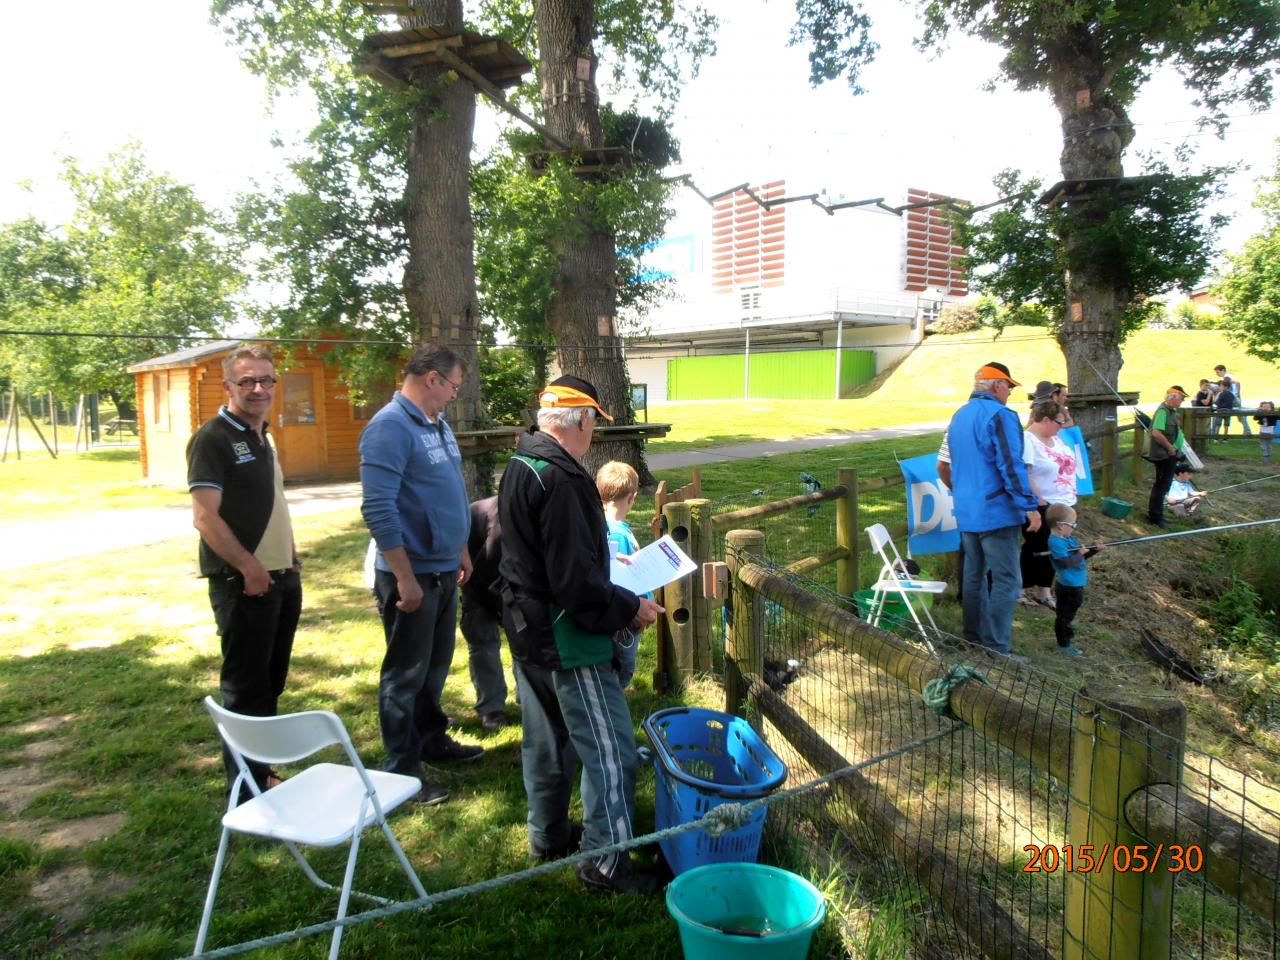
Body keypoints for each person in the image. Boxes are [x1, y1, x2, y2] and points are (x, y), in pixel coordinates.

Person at [497, 375, 665, 893]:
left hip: (528, 631)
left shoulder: (522, 462)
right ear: (583, 420)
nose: (594, 431)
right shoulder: (564, 479)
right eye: (595, 421)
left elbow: (549, 561)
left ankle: (547, 835)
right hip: (569, 638)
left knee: (546, 742)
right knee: (611, 750)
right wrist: (629, 606)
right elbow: (574, 583)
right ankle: (606, 863)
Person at [360, 343, 481, 808]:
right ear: (431, 378)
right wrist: (405, 578)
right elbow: (378, 507)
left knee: (434, 665)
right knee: (404, 674)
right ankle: (402, 771)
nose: (454, 394)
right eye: (452, 385)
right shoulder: (389, 428)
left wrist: (462, 548)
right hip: (410, 576)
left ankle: (432, 740)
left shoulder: (437, 424)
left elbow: (448, 490)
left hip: (445, 568)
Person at [187, 343, 302, 803]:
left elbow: (270, 503)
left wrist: (288, 554)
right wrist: (250, 567)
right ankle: (243, 786)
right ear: (228, 386)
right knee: (245, 685)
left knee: (270, 680)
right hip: (244, 582)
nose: (258, 388)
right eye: (247, 381)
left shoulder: (263, 435)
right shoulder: (213, 438)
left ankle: (260, 772)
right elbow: (205, 517)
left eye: (266, 380)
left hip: (281, 576)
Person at [947, 362, 1040, 658]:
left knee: (974, 577)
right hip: (996, 511)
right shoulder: (1000, 415)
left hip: (967, 512)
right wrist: (1029, 505)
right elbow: (1011, 465)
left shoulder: (959, 415)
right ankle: (997, 647)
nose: (1010, 393)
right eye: (1009, 387)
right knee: (1007, 579)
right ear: (998, 385)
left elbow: (950, 465)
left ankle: (973, 639)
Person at [1019, 400, 1077, 610]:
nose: (1062, 427)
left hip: (1065, 502)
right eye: (1059, 422)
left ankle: (1043, 589)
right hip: (1044, 503)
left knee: (1054, 547)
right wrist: (1039, 500)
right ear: (1045, 419)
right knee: (1036, 546)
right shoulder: (1027, 440)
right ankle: (1021, 587)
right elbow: (1024, 472)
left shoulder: (1056, 439)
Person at [460, 496, 510, 732]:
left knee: (527, 642)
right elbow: (491, 559)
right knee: (483, 643)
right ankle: (491, 708)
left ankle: (530, 697)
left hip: (508, 583)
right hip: (477, 581)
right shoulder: (501, 516)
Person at [596, 460, 647, 689]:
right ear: (632, 498)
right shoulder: (617, 534)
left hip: (613, 611)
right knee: (623, 665)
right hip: (626, 616)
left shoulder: (602, 526)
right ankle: (614, 696)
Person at [1045, 503, 1104, 657]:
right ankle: (1063, 644)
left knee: (1067, 616)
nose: (1074, 528)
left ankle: (1066, 639)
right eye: (1072, 524)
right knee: (1064, 617)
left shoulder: (1068, 538)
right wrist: (1080, 554)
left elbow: (1079, 558)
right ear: (1060, 526)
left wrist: (1093, 550)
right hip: (1069, 586)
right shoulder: (1055, 542)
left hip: (1076, 585)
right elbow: (1065, 563)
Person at [1147, 386, 1188, 527]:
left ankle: (1158, 514)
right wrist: (1170, 448)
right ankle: (1155, 517)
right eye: (1181, 398)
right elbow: (1156, 433)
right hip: (1163, 454)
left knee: (1165, 485)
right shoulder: (1163, 412)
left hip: (1170, 454)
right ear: (1173, 397)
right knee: (1161, 485)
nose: (1182, 401)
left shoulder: (1171, 412)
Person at [1215, 364, 1252, 436]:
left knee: (1240, 416)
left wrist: (1237, 393)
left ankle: (1247, 431)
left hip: (1233, 399)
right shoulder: (1227, 377)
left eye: (1218, 372)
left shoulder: (1226, 377)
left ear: (1223, 370)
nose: (1217, 374)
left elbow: (1237, 382)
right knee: (1240, 417)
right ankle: (1247, 431)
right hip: (1233, 398)